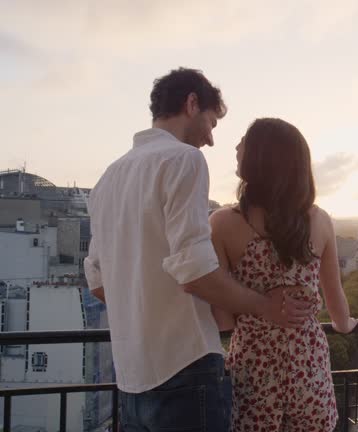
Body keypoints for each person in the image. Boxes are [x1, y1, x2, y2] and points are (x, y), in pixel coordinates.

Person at [84, 68, 312, 431]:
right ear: (192, 103)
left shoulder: (107, 180)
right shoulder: (183, 160)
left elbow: (98, 283)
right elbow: (195, 271)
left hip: (131, 379)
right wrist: (266, 306)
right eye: (211, 123)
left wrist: (148, 305)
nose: (210, 139)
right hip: (185, 369)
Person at [210, 118, 358, 431]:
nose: (236, 148)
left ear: (262, 157)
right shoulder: (321, 222)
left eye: (244, 142)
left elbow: (223, 320)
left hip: (254, 373)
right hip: (308, 368)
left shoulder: (222, 224)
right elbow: (337, 308)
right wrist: (346, 324)